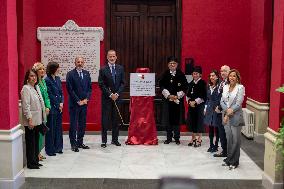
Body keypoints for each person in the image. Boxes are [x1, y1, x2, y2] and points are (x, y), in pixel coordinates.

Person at [98, 49, 125, 148]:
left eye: (113, 56)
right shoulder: (103, 69)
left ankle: (115, 139)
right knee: (105, 120)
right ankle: (104, 141)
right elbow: (101, 84)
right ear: (107, 57)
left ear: (116, 57)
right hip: (107, 99)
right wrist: (110, 94)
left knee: (115, 120)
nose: (112, 58)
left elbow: (123, 83)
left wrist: (117, 94)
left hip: (117, 98)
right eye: (110, 56)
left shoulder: (120, 68)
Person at [159, 56, 188, 145]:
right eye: (170, 63)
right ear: (168, 65)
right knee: (168, 120)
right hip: (168, 101)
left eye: (174, 63)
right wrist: (168, 95)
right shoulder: (165, 74)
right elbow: (161, 85)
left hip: (177, 101)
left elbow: (185, 87)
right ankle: (168, 138)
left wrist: (177, 96)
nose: (172, 65)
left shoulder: (181, 74)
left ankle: (177, 138)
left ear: (177, 64)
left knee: (177, 120)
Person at [220, 69, 245, 170]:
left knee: (236, 140)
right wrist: (226, 112)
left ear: (237, 77)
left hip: (235, 116)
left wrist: (228, 112)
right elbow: (221, 101)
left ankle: (235, 161)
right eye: (230, 76)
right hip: (226, 116)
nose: (232, 78)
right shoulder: (225, 87)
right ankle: (229, 159)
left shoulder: (240, 88)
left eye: (234, 76)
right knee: (229, 139)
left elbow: (238, 104)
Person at [66, 56, 92, 152]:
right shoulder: (70, 74)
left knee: (82, 124)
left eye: (81, 62)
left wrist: (86, 99)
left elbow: (89, 88)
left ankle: (80, 142)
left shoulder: (86, 73)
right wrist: (78, 101)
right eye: (78, 62)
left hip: (84, 104)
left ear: (83, 63)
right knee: (73, 125)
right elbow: (70, 90)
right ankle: (73, 144)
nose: (80, 63)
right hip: (74, 104)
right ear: (75, 63)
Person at [21, 69, 45, 169]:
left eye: (35, 76)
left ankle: (35, 160)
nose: (34, 77)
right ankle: (31, 163)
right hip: (31, 121)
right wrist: (30, 119)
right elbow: (26, 106)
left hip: (38, 119)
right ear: (27, 78)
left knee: (35, 141)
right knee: (30, 142)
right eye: (31, 76)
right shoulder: (25, 89)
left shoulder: (36, 87)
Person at [32, 62, 50, 160]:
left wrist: (48, 106)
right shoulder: (35, 83)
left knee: (42, 132)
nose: (42, 71)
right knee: (38, 133)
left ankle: (39, 152)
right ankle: (37, 153)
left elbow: (46, 96)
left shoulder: (43, 81)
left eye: (43, 69)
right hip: (38, 111)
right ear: (36, 71)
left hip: (44, 110)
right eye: (40, 69)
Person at [45, 62, 64, 156]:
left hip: (59, 107)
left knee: (58, 128)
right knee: (51, 129)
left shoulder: (58, 78)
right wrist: (57, 104)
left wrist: (61, 103)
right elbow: (50, 95)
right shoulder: (47, 80)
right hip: (52, 108)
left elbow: (61, 92)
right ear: (53, 69)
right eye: (57, 68)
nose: (59, 69)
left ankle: (58, 147)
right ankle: (50, 150)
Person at [186, 66, 207, 147]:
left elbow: (203, 96)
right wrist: (189, 102)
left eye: (197, 74)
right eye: (194, 74)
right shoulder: (190, 83)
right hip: (191, 106)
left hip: (199, 106)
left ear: (200, 74)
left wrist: (195, 102)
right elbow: (187, 95)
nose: (195, 75)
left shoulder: (203, 83)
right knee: (192, 121)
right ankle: (193, 137)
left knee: (199, 121)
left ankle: (199, 138)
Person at [213, 65, 230, 157]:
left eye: (225, 71)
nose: (222, 73)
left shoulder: (230, 83)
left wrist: (219, 107)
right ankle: (224, 150)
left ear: (229, 72)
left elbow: (227, 98)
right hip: (218, 111)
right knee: (221, 132)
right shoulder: (221, 82)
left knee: (225, 132)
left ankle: (227, 151)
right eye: (221, 71)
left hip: (224, 111)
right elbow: (217, 95)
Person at [204, 70, 221, 153]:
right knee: (210, 127)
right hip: (209, 108)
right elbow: (207, 98)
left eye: (213, 75)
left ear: (217, 77)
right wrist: (205, 108)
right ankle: (211, 144)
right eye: (210, 76)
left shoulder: (219, 87)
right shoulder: (208, 86)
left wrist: (218, 107)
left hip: (216, 108)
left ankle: (216, 144)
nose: (211, 77)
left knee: (216, 127)